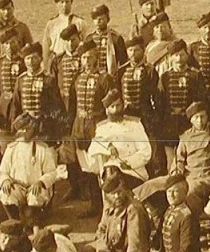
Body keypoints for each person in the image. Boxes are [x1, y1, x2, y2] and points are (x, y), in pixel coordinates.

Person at [68, 40, 117, 214]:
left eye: (90, 57)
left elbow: (112, 106)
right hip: (80, 128)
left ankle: (108, 206)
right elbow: (72, 105)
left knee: (103, 168)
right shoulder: (77, 78)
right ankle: (95, 205)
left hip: (98, 128)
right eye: (83, 57)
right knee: (88, 168)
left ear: (96, 57)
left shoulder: (105, 78)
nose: (87, 61)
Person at [88, 172, 152, 252]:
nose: (117, 196)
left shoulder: (133, 210)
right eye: (113, 194)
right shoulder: (109, 207)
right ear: (107, 195)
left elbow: (136, 247)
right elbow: (101, 230)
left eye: (119, 191)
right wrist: (103, 250)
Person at [142, 173, 205, 252]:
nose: (170, 195)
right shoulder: (169, 210)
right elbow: (162, 238)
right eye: (168, 191)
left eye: (175, 191)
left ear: (185, 193)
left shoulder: (187, 216)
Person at [0, 114, 63, 226]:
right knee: (5, 193)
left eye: (27, 131)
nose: (23, 134)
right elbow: (2, 171)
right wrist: (6, 180)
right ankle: (15, 223)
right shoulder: (12, 148)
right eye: (22, 131)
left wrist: (41, 182)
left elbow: (52, 172)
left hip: (35, 186)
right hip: (18, 187)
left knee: (35, 196)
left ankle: (35, 225)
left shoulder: (43, 148)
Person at [88, 89, 152, 189]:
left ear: (123, 105)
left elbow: (146, 151)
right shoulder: (102, 128)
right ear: (106, 110)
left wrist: (129, 163)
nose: (116, 110)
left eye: (118, 105)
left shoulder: (135, 124)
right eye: (112, 107)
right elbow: (93, 148)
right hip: (111, 172)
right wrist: (108, 147)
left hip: (132, 171)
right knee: (111, 180)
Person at [158, 40, 206, 168]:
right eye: (176, 55)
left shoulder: (195, 75)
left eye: (182, 55)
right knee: (171, 160)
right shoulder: (165, 77)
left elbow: (200, 100)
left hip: (188, 122)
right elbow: (160, 102)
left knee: (188, 157)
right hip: (170, 122)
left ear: (187, 55)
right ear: (171, 57)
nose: (179, 58)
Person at [117, 36, 162, 173]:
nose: (133, 53)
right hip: (128, 115)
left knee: (148, 148)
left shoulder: (149, 70)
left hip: (145, 115)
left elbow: (156, 95)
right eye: (130, 50)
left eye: (136, 50)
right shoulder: (121, 71)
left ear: (142, 51)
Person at [171, 102, 210, 202]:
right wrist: (176, 174)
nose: (200, 121)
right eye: (196, 117)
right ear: (191, 119)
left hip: (205, 177)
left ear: (207, 116)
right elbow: (179, 159)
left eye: (202, 116)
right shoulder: (185, 137)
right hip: (186, 176)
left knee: (189, 192)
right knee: (152, 186)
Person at [12, 41, 63, 144]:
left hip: (44, 127)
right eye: (27, 58)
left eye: (34, 58)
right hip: (25, 127)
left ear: (40, 58)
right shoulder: (21, 80)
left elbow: (56, 107)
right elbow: (16, 105)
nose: (30, 62)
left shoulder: (49, 79)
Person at [42, 0, 84, 70]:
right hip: (57, 62)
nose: (64, 5)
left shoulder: (80, 22)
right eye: (62, 2)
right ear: (57, 4)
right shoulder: (51, 24)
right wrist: (46, 66)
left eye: (67, 2)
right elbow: (46, 48)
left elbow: (84, 43)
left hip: (75, 60)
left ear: (71, 2)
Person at [0, 30, 22, 127]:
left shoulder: (24, 62)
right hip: (3, 105)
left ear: (18, 43)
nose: (9, 46)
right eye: (6, 43)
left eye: (12, 42)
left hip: (19, 105)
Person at [87, 4, 128, 76]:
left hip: (110, 75)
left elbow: (123, 61)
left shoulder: (116, 38)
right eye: (95, 19)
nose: (98, 21)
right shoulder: (90, 38)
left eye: (101, 19)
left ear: (107, 19)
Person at [189, 12, 210, 90]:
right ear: (200, 29)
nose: (208, 31)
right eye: (205, 27)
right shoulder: (193, 47)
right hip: (199, 88)